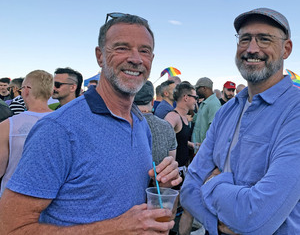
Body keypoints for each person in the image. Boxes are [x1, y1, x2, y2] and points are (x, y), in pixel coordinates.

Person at [0, 13, 181, 234]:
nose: (136, 58)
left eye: (144, 50)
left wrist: (160, 187)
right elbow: (11, 228)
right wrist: (114, 228)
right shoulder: (59, 129)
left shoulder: (141, 123)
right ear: (100, 56)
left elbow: (126, 200)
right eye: (122, 47)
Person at [181, 8, 300, 234]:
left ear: (286, 49)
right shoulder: (226, 111)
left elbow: (256, 217)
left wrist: (212, 183)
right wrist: (219, 226)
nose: (251, 49)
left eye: (264, 39)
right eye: (245, 39)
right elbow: (189, 189)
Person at [0, 70, 53, 196]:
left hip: (13, 195)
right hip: (50, 197)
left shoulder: (8, 125)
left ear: (27, 90)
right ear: (50, 93)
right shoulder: (65, 122)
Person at [164, 81, 198, 235]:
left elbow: (180, 139)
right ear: (186, 97)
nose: (196, 101)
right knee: (170, 212)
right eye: (194, 97)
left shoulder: (185, 118)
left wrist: (191, 145)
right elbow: (163, 135)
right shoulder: (173, 116)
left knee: (186, 208)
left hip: (183, 169)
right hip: (174, 172)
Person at [134, 80, 177, 165]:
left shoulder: (122, 126)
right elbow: (171, 161)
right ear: (153, 102)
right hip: (159, 177)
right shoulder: (167, 126)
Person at [191, 77, 221, 146]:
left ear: (204, 88)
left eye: (197, 88)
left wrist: (205, 146)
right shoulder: (205, 102)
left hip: (204, 148)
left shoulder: (214, 104)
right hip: (198, 147)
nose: (196, 91)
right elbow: (198, 120)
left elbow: (214, 128)